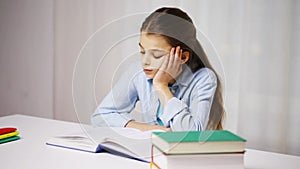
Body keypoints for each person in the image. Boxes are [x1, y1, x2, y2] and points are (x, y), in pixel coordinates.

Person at [91, 7, 225, 131]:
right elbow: (100, 117)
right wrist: (152, 130)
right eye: (142, 52)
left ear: (183, 57)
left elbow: (192, 134)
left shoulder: (203, 79)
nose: (145, 62)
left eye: (157, 55)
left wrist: (161, 86)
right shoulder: (138, 72)